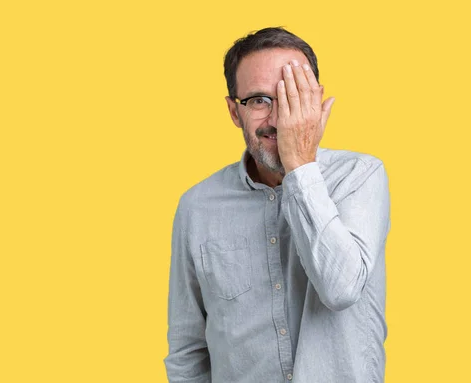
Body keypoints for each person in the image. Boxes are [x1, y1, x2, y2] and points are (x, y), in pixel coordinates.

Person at [163, 27, 391, 383]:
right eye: (258, 100)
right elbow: (187, 349)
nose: (279, 120)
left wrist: (299, 163)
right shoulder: (197, 206)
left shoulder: (359, 177)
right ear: (234, 112)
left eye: (293, 97)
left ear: (315, 102)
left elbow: (341, 288)